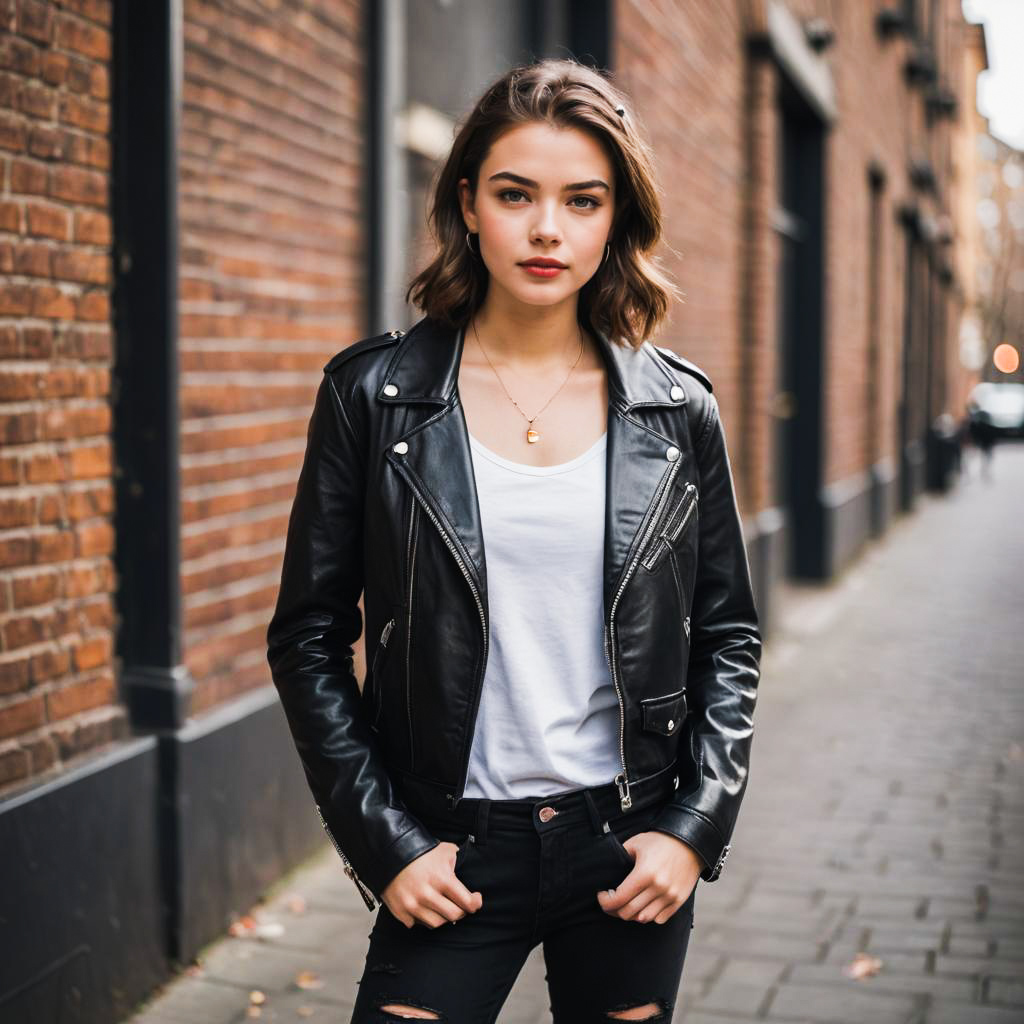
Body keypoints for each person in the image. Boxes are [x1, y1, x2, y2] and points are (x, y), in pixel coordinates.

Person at [266, 57, 761, 1023]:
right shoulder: (374, 396)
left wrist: (693, 828)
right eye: (514, 194)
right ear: (466, 204)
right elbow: (310, 638)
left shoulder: (676, 410)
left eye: (582, 200)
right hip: (449, 850)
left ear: (617, 216)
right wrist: (387, 843)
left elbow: (729, 634)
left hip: (625, 847)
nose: (546, 228)